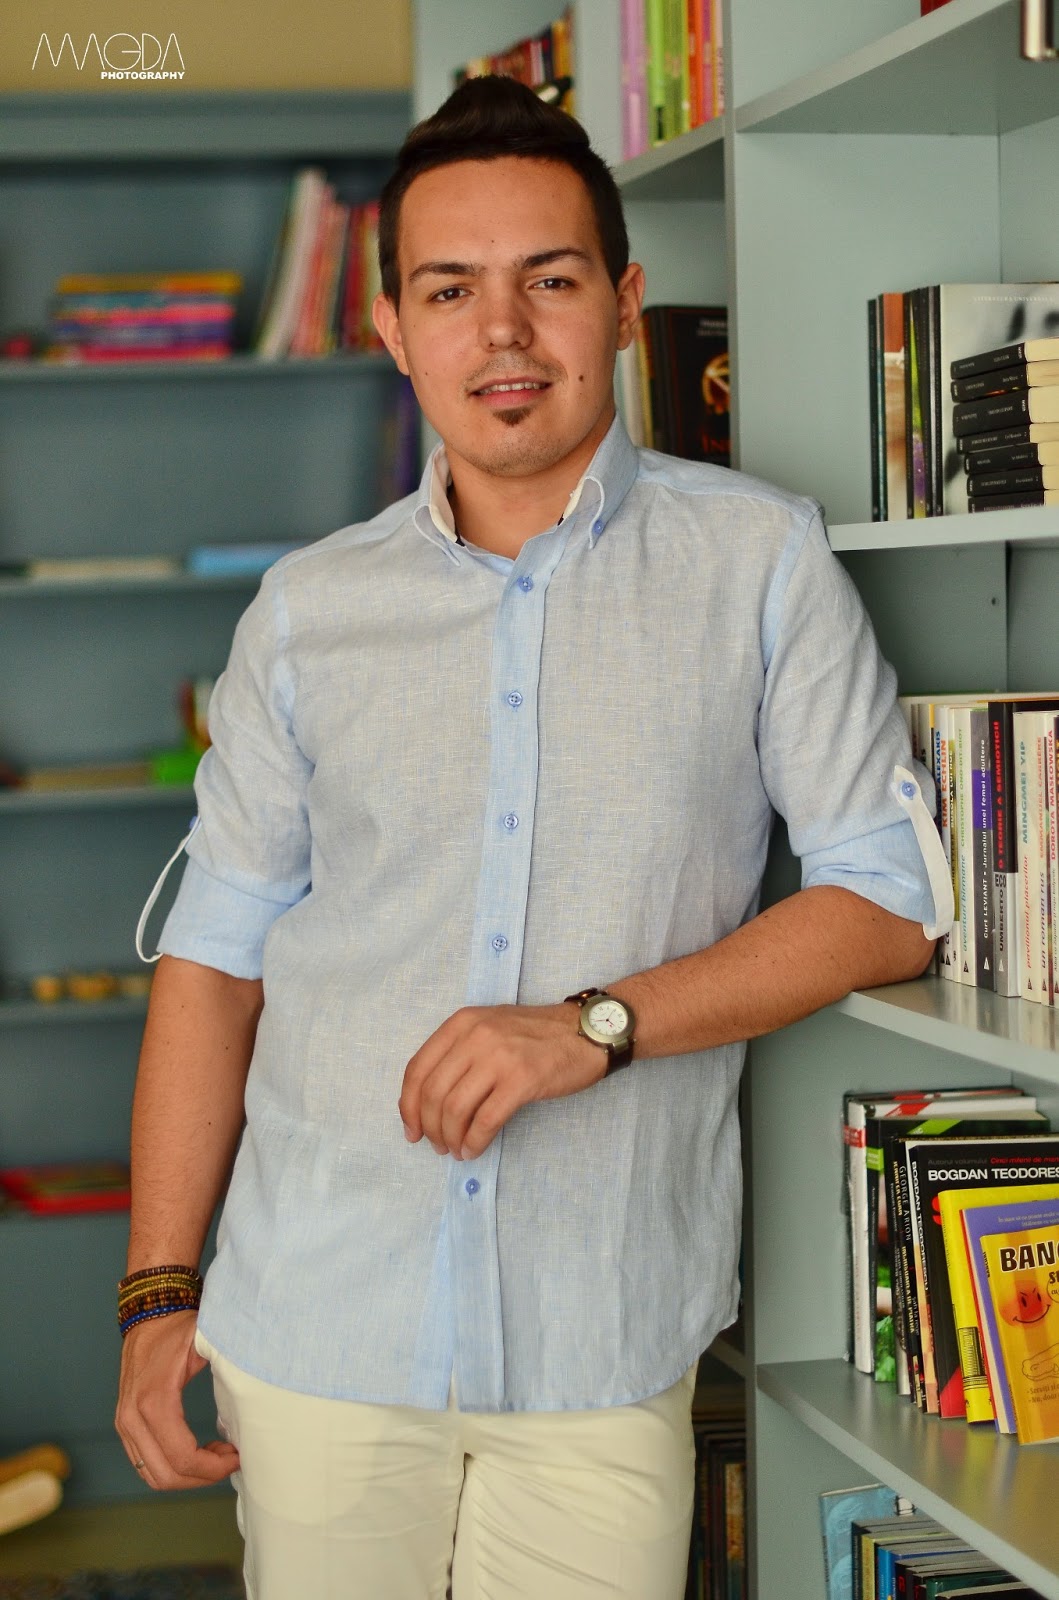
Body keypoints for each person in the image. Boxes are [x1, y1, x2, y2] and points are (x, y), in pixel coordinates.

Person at [115, 75, 949, 1600]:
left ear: (624, 304)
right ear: (393, 327)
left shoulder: (761, 562)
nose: (501, 333)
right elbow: (216, 962)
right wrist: (157, 1292)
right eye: (450, 290)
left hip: (599, 1342)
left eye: (549, 281)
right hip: (317, 1328)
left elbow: (888, 902)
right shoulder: (305, 614)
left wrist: (595, 1027)